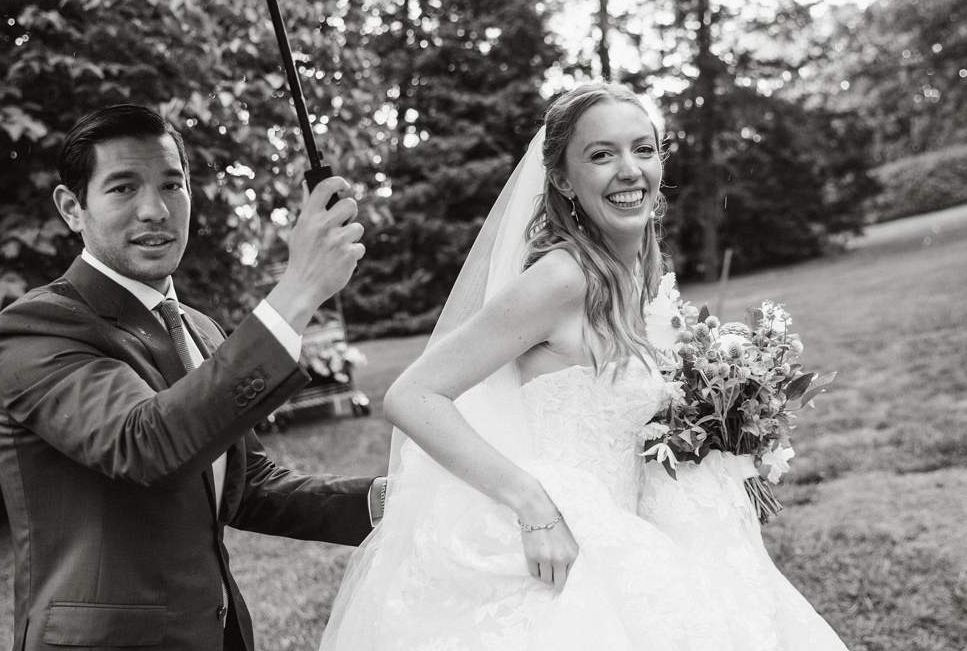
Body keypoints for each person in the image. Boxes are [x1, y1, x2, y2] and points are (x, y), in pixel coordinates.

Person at [319, 82, 849, 650]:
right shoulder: (562, 277)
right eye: (602, 155)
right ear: (565, 181)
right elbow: (412, 396)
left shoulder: (639, 275)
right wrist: (532, 506)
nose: (629, 170)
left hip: (631, 523)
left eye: (643, 150)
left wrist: (723, 445)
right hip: (565, 542)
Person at [0, 105, 384, 651]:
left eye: (172, 184)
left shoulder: (198, 327)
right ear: (72, 208)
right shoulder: (33, 329)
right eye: (123, 188)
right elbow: (144, 444)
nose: (155, 209)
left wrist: (390, 502)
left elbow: (248, 487)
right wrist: (299, 291)